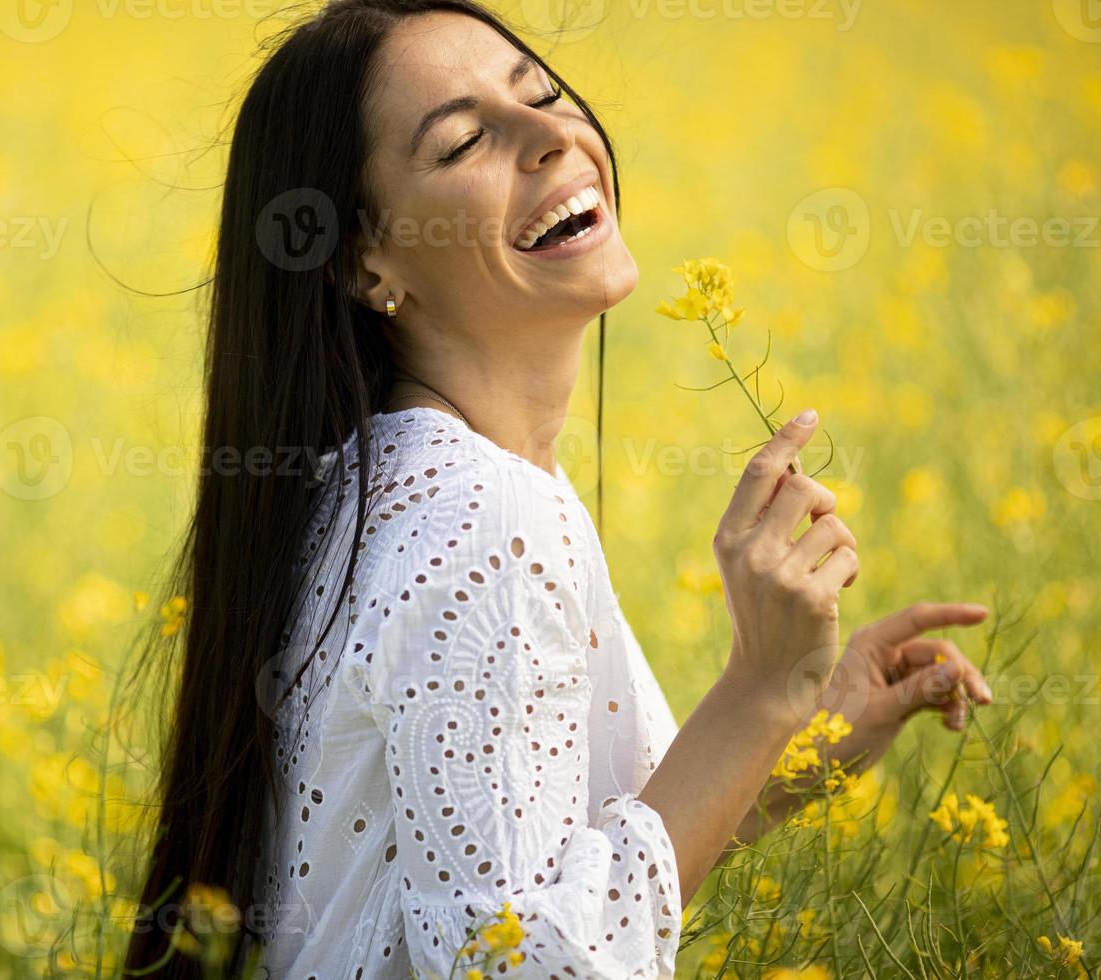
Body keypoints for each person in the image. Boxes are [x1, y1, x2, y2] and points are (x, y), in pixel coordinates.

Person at [126, 0, 995, 975]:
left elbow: (547, 863)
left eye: (541, 93)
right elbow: (532, 960)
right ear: (365, 260)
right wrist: (758, 686)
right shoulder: (481, 515)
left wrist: (793, 733)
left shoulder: (381, 482)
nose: (552, 136)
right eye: (464, 142)